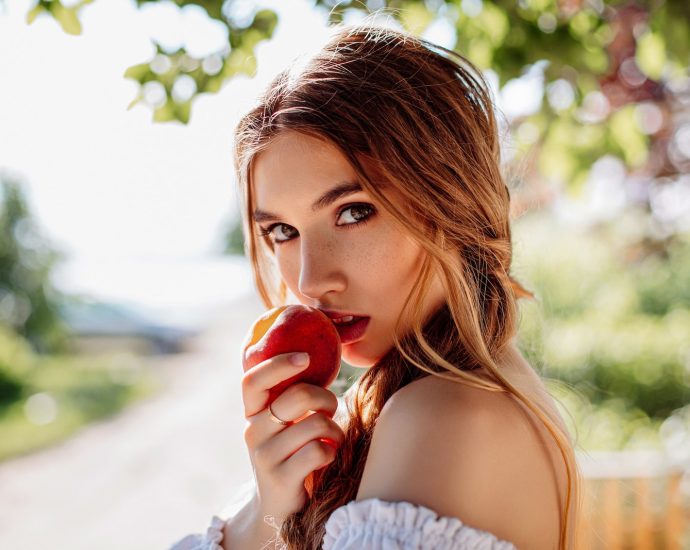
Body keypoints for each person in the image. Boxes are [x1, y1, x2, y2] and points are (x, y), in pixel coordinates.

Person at [170, 21, 583, 550]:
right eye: (282, 231)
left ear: (449, 199)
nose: (310, 279)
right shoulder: (450, 402)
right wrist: (271, 504)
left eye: (353, 212)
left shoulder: (441, 415)